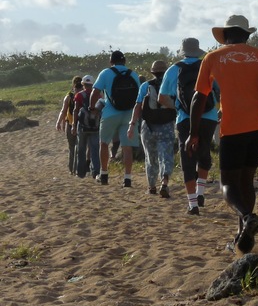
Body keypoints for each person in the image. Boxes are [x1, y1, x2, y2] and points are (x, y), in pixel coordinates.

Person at [185, 15, 258, 254]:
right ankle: (243, 236)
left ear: (225, 35)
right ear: (246, 35)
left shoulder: (213, 57)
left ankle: (247, 217)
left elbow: (199, 96)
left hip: (232, 128)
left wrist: (193, 133)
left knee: (228, 183)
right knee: (246, 181)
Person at [158, 38, 219, 205]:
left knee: (188, 158)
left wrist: (179, 107)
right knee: (204, 154)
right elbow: (219, 90)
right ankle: (200, 192)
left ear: (182, 51)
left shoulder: (173, 69)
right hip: (209, 116)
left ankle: (192, 204)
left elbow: (161, 98)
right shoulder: (207, 66)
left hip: (184, 118)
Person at [89, 50, 141, 187]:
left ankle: (104, 174)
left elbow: (95, 92)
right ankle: (128, 178)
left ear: (111, 62)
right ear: (124, 61)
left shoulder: (106, 73)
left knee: (104, 143)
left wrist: (92, 108)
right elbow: (139, 95)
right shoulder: (133, 74)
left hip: (110, 114)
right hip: (129, 114)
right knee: (127, 147)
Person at [128, 61, 176, 195]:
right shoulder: (172, 85)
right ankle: (165, 182)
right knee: (165, 155)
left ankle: (151, 187)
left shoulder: (145, 86)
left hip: (148, 126)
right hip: (166, 125)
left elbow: (138, 106)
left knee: (150, 157)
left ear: (152, 72)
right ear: (166, 72)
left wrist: (132, 125)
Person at [72, 75, 100, 179]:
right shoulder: (98, 95)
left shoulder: (79, 95)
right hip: (94, 126)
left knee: (81, 150)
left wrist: (73, 125)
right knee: (94, 150)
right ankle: (96, 172)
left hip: (82, 126)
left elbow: (76, 110)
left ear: (83, 84)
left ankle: (80, 173)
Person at [56, 76, 82, 175]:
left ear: (73, 85)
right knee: (81, 147)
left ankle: (71, 169)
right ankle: (79, 168)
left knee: (72, 148)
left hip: (70, 124)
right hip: (82, 124)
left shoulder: (69, 96)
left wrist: (59, 122)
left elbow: (63, 111)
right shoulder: (85, 95)